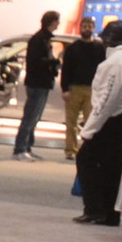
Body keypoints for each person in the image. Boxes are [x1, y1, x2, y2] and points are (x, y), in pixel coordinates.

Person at [72, 18, 122, 227]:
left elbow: (107, 100)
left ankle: (94, 210)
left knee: (86, 159)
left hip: (112, 120)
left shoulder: (114, 63)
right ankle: (110, 214)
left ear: (108, 39)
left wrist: (89, 129)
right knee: (113, 168)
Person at [14, 9, 60, 160]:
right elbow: (35, 61)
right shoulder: (39, 39)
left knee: (34, 117)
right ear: (52, 22)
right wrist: (52, 62)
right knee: (30, 116)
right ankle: (20, 149)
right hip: (38, 82)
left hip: (42, 82)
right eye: (57, 21)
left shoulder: (44, 38)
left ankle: (27, 147)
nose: (58, 24)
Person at [59, 17, 106, 160]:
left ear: (94, 28)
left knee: (91, 122)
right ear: (80, 28)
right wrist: (65, 89)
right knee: (71, 122)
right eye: (84, 26)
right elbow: (66, 69)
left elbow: (103, 69)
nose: (87, 28)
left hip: (92, 89)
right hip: (74, 88)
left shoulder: (100, 48)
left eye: (89, 26)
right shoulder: (72, 48)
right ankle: (70, 150)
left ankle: (88, 151)